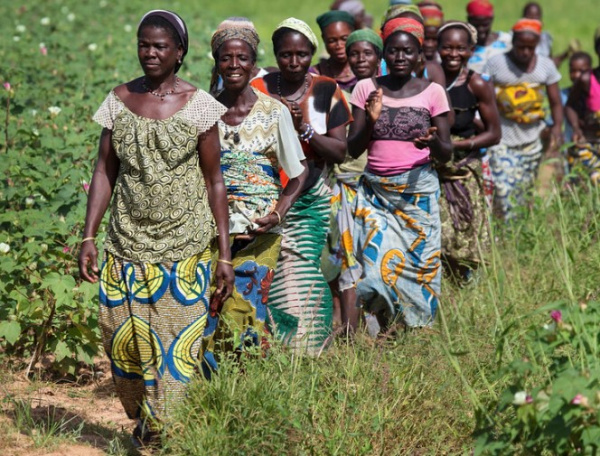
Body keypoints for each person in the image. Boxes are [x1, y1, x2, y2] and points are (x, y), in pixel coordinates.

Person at [77, 10, 234, 446]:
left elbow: (214, 180)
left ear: (179, 52)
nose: (150, 52)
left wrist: (223, 253)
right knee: (123, 342)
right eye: (144, 44)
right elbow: (104, 171)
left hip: (184, 245)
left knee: (175, 347)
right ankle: (146, 419)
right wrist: (89, 235)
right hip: (126, 242)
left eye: (160, 46)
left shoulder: (200, 105)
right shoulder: (118, 100)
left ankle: (170, 433)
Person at [202, 19, 308, 372]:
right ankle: (211, 384)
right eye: (226, 59)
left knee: (249, 311)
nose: (234, 66)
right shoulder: (202, 112)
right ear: (216, 62)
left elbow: (298, 173)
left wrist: (278, 213)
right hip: (212, 233)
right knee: (212, 308)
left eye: (243, 58)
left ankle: (245, 385)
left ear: (254, 62)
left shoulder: (273, 112)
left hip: (260, 235)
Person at [251, 18, 353, 353]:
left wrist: (304, 129)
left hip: (309, 196)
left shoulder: (326, 90)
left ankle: (307, 350)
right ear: (275, 55)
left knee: (302, 271)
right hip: (263, 195)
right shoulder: (258, 87)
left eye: (302, 54)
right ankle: (273, 347)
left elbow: (339, 151)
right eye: (285, 54)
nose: (294, 62)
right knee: (268, 271)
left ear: (312, 54)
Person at [347, 17, 452, 332]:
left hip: (417, 190)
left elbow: (447, 151)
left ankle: (415, 328)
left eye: (408, 52)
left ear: (420, 57)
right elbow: (353, 149)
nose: (400, 58)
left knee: (420, 265)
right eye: (393, 51)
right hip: (375, 193)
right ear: (384, 56)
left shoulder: (433, 92)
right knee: (374, 263)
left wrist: (434, 142)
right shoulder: (366, 88)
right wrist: (369, 118)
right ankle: (380, 321)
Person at [321, 28, 383, 333]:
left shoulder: (387, 90)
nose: (359, 59)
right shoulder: (342, 94)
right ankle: (347, 325)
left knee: (369, 253)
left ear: (379, 57)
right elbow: (349, 145)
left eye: (367, 53)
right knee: (344, 254)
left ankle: (369, 323)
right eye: (354, 53)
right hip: (345, 180)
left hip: (376, 184)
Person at [436, 21, 501, 279]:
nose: (453, 54)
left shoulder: (477, 85)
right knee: (439, 232)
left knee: (466, 230)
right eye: (447, 48)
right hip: (433, 168)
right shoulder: (426, 81)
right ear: (437, 48)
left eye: (460, 48)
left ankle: (465, 284)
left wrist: (458, 145)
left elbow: (494, 133)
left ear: (471, 50)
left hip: (464, 169)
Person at [485, 18, 563, 219]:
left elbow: (555, 102)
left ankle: (519, 233)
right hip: (502, 138)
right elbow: (485, 98)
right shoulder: (496, 64)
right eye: (521, 47)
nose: (525, 52)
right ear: (513, 41)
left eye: (531, 47)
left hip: (533, 139)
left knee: (524, 190)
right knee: (503, 188)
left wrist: (556, 128)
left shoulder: (545, 66)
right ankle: (506, 230)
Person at [566, 29, 600, 183]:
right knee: (589, 184)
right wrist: (576, 127)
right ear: (597, 51)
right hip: (590, 143)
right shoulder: (587, 79)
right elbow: (570, 106)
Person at [310, 11, 357, 91]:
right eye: (332, 41)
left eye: (344, 39)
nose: (339, 45)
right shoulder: (313, 75)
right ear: (324, 39)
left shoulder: (366, 69)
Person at [466, 0, 512, 75]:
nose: (481, 29)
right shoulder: (464, 45)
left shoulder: (506, 41)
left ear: (492, 20)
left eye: (485, 25)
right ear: (469, 20)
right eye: (476, 25)